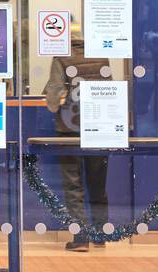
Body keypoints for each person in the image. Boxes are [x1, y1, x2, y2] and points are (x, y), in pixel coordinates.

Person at [43, 28, 112, 251]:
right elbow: (109, 89)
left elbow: (53, 97)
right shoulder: (101, 55)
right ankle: (100, 234)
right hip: (99, 127)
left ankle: (81, 238)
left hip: (69, 129)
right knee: (98, 183)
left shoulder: (61, 57)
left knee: (73, 185)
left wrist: (55, 100)